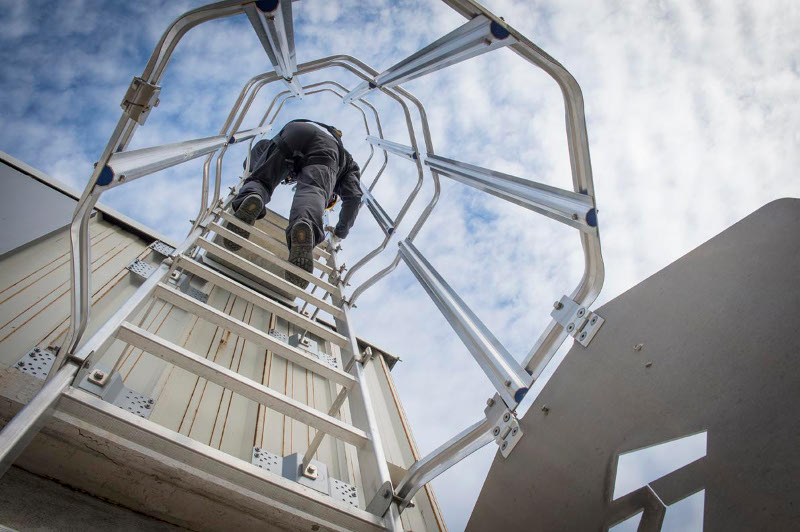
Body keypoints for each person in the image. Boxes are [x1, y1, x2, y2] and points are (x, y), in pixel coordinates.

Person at [224, 119, 362, 289]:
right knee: (313, 190)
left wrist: (252, 167)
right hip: (328, 153)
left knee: (260, 180)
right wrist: (341, 232)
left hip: (294, 130)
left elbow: (262, 147)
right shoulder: (347, 163)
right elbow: (354, 197)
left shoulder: (342, 155)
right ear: (333, 193)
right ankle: (305, 226)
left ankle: (251, 196)